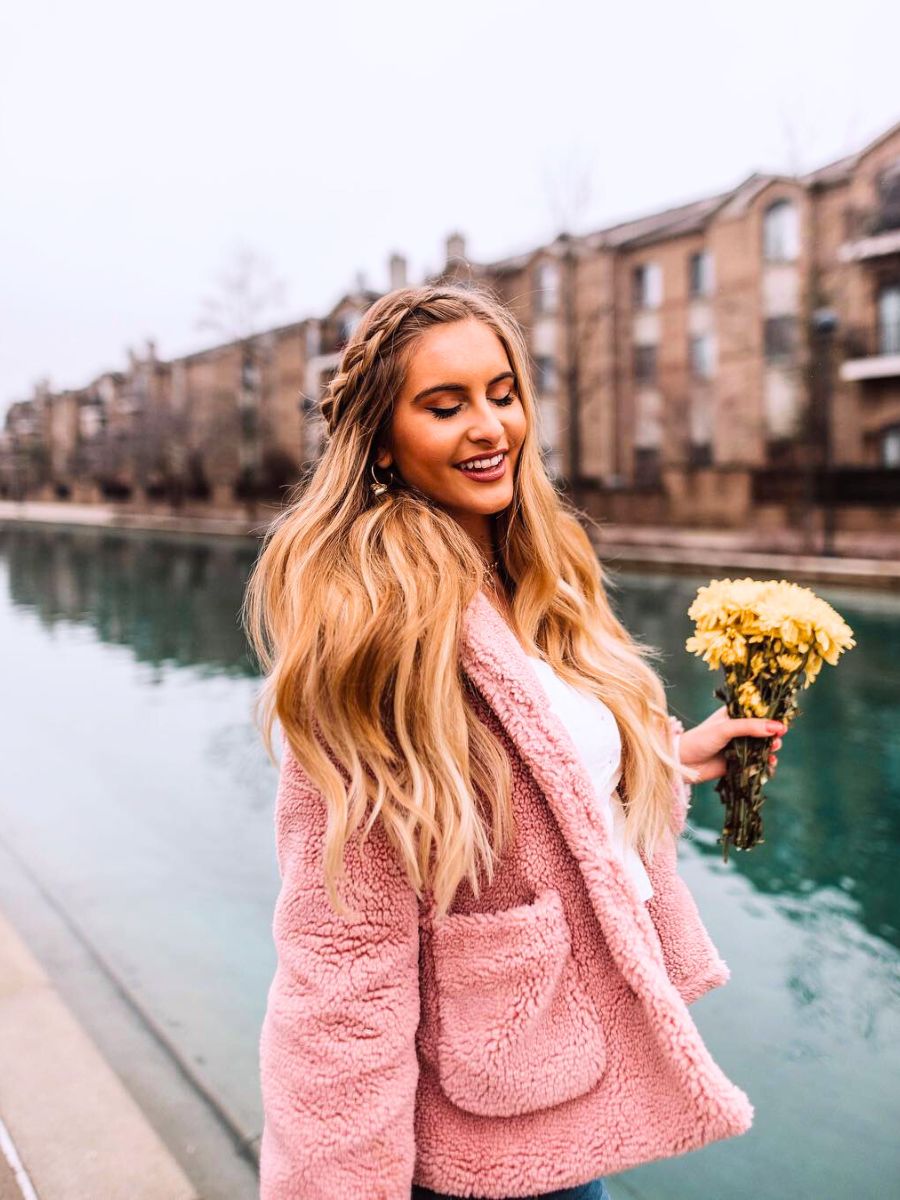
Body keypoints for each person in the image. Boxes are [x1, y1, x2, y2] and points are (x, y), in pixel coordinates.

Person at [242, 282, 786, 1200]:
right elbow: (343, 965)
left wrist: (668, 760)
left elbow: (545, 782)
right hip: (473, 1151)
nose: (490, 426)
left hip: (553, 1098)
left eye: (502, 393)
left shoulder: (531, 570)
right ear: (381, 439)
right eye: (444, 405)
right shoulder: (375, 636)